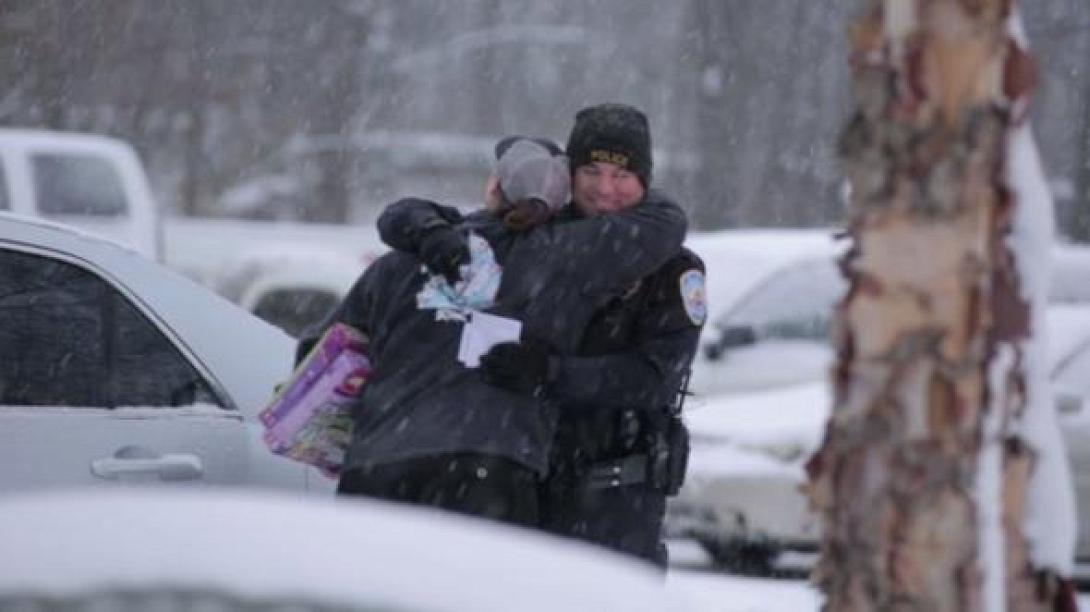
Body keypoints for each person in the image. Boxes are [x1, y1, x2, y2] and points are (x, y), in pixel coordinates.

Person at [302, 134, 688, 529]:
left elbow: (315, 353)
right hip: (490, 472)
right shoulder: (569, 260)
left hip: (375, 469)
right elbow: (666, 223)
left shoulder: (402, 260)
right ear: (560, 202)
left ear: (493, 185)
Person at [378, 103, 706, 566]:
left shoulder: (671, 267)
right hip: (520, 482)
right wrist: (429, 231)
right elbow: (406, 216)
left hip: (615, 493)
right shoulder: (536, 233)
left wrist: (552, 373)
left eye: (623, 175)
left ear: (645, 181)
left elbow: (656, 378)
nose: (605, 188)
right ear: (568, 173)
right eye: (590, 170)